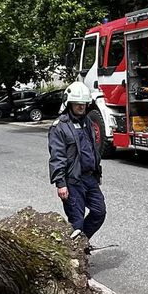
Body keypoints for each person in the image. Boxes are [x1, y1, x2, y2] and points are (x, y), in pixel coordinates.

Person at [48, 83, 105, 241]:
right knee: (76, 223)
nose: (81, 107)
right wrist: (61, 183)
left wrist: (97, 172)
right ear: (69, 103)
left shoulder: (87, 122)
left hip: (90, 178)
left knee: (99, 212)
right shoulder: (59, 127)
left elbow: (92, 150)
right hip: (72, 181)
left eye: (84, 104)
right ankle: (75, 256)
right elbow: (57, 156)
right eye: (78, 104)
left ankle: (80, 244)